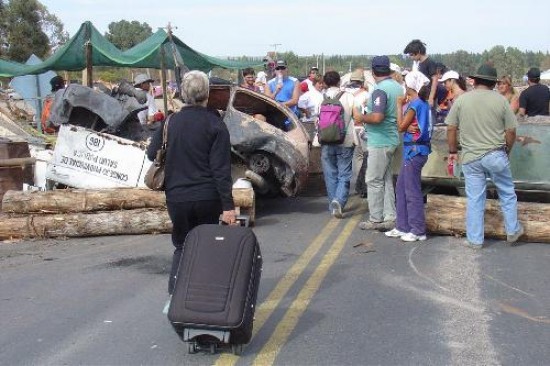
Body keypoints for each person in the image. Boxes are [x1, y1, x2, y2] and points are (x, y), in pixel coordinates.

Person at [146, 70, 237, 297]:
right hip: (208, 197)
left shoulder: (170, 122)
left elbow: (151, 153)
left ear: (183, 95)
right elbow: (221, 170)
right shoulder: (215, 124)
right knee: (206, 247)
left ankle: (176, 295)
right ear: (207, 94)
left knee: (182, 246)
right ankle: (204, 297)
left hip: (177, 198)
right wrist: (228, 207)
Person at [446, 64, 524, 249]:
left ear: (476, 80)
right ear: (493, 83)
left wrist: (452, 151)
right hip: (495, 153)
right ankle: (512, 230)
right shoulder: (501, 101)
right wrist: (507, 149)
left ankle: (475, 239)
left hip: (471, 156)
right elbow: (511, 131)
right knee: (507, 192)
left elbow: (451, 128)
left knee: (475, 198)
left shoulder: (462, 100)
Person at [353, 56, 404, 230]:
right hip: (394, 138)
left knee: (373, 179)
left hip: (380, 140)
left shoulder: (379, 90)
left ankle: (375, 218)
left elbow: (377, 117)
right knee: (387, 178)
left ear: (373, 72)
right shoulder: (398, 88)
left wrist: (361, 117)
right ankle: (390, 216)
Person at [385, 71, 432, 242]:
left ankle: (418, 229)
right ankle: (402, 225)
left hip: (414, 150)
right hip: (414, 150)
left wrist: (398, 106)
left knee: (411, 191)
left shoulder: (415, 104)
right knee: (401, 188)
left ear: (409, 86)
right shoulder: (422, 103)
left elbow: (400, 127)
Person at [320, 70, 355, 218]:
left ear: (325, 83)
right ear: (339, 82)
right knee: (344, 173)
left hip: (326, 140)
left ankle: (333, 204)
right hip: (345, 140)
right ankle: (339, 201)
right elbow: (357, 115)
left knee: (330, 174)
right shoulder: (348, 97)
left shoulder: (320, 97)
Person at [345, 69, 371, 198]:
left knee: (356, 157)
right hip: (362, 127)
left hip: (349, 129)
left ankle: (357, 184)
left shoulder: (345, 93)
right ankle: (364, 184)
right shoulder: (366, 94)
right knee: (365, 155)